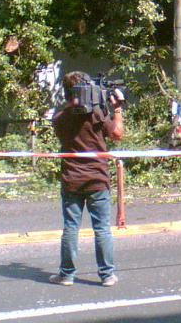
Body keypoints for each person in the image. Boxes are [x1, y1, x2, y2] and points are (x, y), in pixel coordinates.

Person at [50, 71, 125, 287]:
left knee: (71, 227)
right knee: (101, 228)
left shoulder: (59, 117)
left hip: (71, 178)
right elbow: (117, 133)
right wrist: (117, 108)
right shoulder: (98, 113)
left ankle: (66, 275)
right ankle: (107, 275)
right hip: (97, 179)